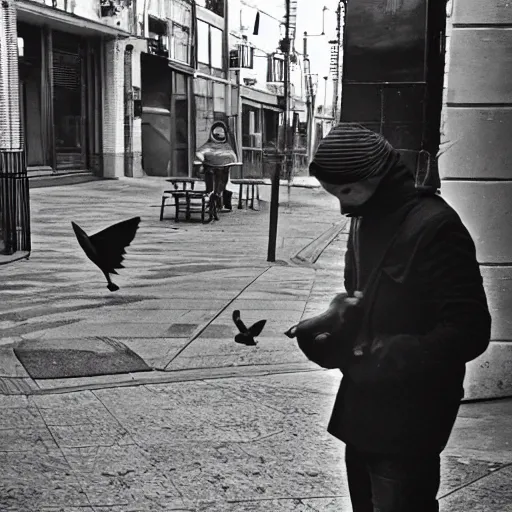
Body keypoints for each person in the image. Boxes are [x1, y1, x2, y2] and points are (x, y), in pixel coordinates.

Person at [291, 123, 491, 512]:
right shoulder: (364, 219)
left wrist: (386, 351)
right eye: (334, 195)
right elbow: (362, 297)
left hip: (412, 411)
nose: (343, 206)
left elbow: (470, 331)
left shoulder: (436, 225)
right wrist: (334, 323)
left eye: (347, 192)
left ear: (377, 176)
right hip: (363, 405)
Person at [194, 121, 238, 211]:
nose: (219, 136)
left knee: (221, 181)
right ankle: (212, 200)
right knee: (210, 181)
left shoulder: (226, 146)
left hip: (222, 171)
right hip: (210, 170)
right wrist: (202, 159)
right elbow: (199, 153)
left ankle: (218, 199)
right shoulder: (208, 145)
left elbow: (233, 156)